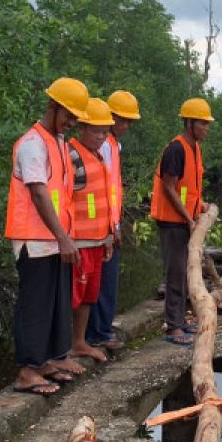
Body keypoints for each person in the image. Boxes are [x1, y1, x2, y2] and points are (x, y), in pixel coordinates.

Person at [4, 77, 91, 396]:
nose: (71, 123)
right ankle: (28, 371)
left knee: (55, 301)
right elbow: (39, 193)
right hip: (34, 237)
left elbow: (63, 194)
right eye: (69, 116)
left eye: (75, 118)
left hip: (54, 237)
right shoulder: (32, 143)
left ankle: (47, 361)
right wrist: (64, 238)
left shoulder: (57, 142)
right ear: (53, 107)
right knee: (35, 304)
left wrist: (66, 237)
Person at [150, 97, 212, 346]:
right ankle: (173, 327)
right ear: (189, 122)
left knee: (185, 271)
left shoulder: (194, 148)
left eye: (207, 124)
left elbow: (190, 187)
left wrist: (201, 207)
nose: (206, 128)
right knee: (175, 273)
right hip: (172, 222)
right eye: (202, 124)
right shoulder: (176, 148)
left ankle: (180, 321)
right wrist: (188, 217)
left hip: (184, 220)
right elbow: (169, 187)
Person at [85, 89, 140, 350]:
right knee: (103, 281)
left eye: (130, 121)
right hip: (102, 225)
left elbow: (114, 188)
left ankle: (100, 329)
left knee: (106, 280)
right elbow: (102, 190)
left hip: (109, 222)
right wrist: (112, 227)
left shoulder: (114, 146)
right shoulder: (104, 145)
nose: (127, 125)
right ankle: (98, 333)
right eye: (123, 119)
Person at [67, 97, 115, 364]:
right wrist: (67, 239)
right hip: (78, 242)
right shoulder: (72, 155)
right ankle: (66, 346)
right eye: (96, 130)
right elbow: (62, 200)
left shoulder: (98, 155)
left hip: (96, 241)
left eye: (104, 131)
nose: (101, 136)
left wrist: (107, 236)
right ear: (82, 128)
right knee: (73, 295)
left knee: (89, 295)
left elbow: (102, 200)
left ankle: (79, 342)